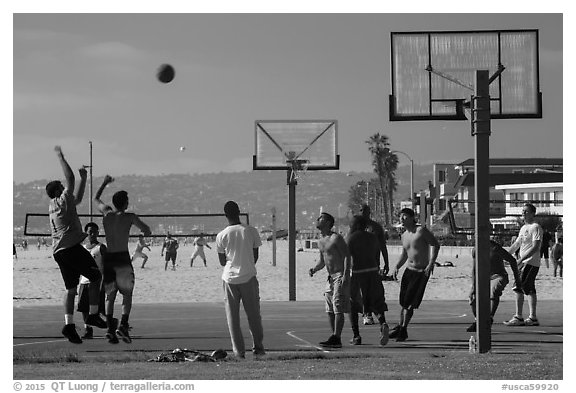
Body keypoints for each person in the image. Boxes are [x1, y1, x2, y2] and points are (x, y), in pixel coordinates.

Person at [46, 146, 107, 344]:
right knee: (96, 276)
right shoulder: (62, 198)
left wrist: (84, 179)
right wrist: (61, 157)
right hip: (71, 248)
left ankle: (69, 325)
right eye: (61, 186)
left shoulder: (54, 206)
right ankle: (93, 314)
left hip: (59, 251)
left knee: (71, 289)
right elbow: (69, 180)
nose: (65, 187)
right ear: (57, 190)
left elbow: (78, 199)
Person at [94, 175, 152, 344]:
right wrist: (145, 232)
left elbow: (96, 198)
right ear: (125, 203)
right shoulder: (129, 216)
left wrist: (104, 183)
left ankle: (111, 329)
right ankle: (123, 325)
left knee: (110, 295)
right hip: (122, 259)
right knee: (127, 293)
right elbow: (146, 229)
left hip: (109, 260)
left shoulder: (107, 214)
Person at [216, 201, 265, 359]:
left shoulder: (222, 235)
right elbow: (255, 255)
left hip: (229, 278)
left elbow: (222, 261)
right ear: (239, 212)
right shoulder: (251, 231)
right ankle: (258, 347)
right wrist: (246, 264)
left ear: (225, 215)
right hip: (248, 276)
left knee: (233, 317)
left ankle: (239, 352)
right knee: (254, 315)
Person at [391, 208, 440, 342]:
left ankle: (403, 329)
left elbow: (435, 244)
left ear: (412, 218)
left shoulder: (421, 231)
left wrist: (431, 264)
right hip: (409, 270)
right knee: (403, 302)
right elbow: (405, 254)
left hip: (421, 271)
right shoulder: (404, 235)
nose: (402, 219)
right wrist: (396, 266)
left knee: (410, 304)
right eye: (401, 217)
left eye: (405, 217)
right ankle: (400, 327)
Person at [309, 212, 351, 349]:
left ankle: (337, 337)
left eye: (320, 218)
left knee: (338, 306)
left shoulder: (336, 238)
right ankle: (334, 336)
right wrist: (314, 269)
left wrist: (345, 275)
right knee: (329, 309)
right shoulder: (320, 241)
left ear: (327, 222)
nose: (317, 220)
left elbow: (346, 256)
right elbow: (322, 261)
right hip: (330, 277)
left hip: (339, 275)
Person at [346, 215, 389, 346]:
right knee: (376, 302)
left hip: (358, 274)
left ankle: (356, 336)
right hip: (373, 273)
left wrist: (344, 275)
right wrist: (383, 266)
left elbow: (347, 259)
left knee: (353, 305)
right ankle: (383, 323)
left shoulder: (351, 238)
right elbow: (378, 253)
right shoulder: (373, 237)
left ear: (355, 225)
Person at [466, 239, 521, 332]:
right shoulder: (476, 249)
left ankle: (489, 318)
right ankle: (478, 321)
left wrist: (517, 279)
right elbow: (474, 269)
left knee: (494, 290)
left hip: (499, 275)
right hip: (484, 277)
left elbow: (512, 261)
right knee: (472, 297)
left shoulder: (495, 248)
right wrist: (473, 286)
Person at [504, 203, 543, 327]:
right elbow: (516, 245)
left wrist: (521, 259)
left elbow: (536, 246)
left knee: (522, 287)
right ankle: (526, 317)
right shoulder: (523, 228)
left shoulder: (535, 227)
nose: (523, 213)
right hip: (522, 262)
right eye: (522, 211)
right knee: (524, 288)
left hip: (530, 262)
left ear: (532, 213)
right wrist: (504, 256)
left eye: (526, 211)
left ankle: (524, 317)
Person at [360, 204, 389, 325]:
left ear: (369, 212)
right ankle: (367, 314)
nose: (362, 212)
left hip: (373, 265)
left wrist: (386, 263)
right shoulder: (355, 227)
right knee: (362, 291)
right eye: (361, 210)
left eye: (364, 210)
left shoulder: (376, 227)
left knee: (375, 291)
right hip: (359, 265)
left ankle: (379, 314)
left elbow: (383, 246)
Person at [78, 222, 107, 339]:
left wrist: (104, 281)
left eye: (95, 231)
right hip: (84, 282)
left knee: (100, 310)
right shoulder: (82, 248)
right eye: (90, 232)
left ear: (98, 233)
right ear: (86, 233)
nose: (92, 234)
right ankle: (88, 329)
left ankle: (111, 327)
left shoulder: (101, 247)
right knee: (84, 308)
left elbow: (106, 265)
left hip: (96, 282)